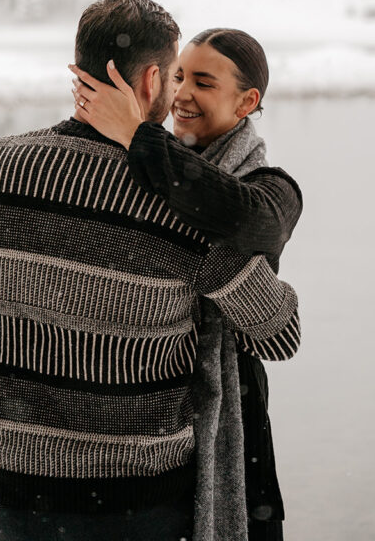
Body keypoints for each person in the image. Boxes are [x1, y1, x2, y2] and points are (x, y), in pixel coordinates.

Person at [0, 0, 300, 541]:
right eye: (175, 74)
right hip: (134, 495)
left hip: (13, 486)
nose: (180, 93)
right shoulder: (180, 207)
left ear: (80, 69)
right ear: (152, 80)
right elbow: (279, 334)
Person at [70, 27, 302, 541]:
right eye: (178, 77)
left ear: (247, 102)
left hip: (233, 424)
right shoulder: (145, 171)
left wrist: (139, 136)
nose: (182, 94)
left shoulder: (271, 189)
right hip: (152, 435)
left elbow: (243, 220)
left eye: (204, 82)